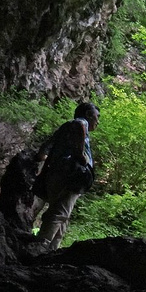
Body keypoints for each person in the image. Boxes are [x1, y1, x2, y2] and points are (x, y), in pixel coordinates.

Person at [34, 102, 99, 251]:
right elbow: (80, 124)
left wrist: (44, 158)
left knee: (62, 216)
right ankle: (41, 248)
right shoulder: (81, 123)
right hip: (70, 176)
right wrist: (81, 155)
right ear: (88, 115)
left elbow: (45, 148)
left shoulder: (65, 128)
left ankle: (53, 250)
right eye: (96, 116)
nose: (98, 121)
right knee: (60, 213)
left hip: (56, 174)